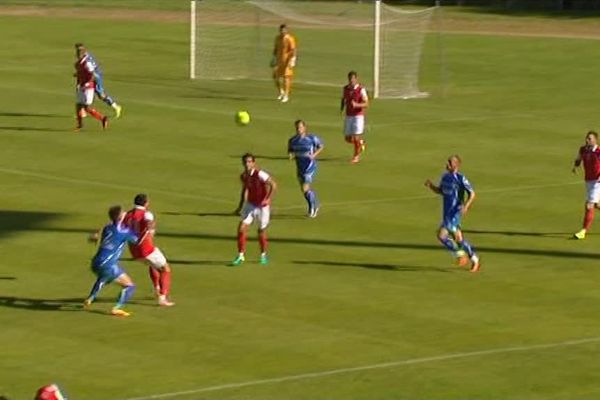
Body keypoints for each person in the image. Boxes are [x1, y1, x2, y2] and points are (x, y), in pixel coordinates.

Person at [425, 155, 481, 273]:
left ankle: (460, 255)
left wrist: (466, 206)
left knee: (441, 235)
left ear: (455, 165)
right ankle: (475, 260)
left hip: (455, 212)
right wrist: (431, 186)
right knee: (459, 240)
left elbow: (472, 194)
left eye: (449, 163)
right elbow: (441, 191)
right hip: (446, 212)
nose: (447, 164)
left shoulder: (460, 178)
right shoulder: (445, 177)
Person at [85, 205, 138, 317]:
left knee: (104, 277)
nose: (125, 213)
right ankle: (117, 308)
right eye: (123, 212)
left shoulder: (107, 228)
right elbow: (136, 240)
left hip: (95, 262)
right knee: (130, 286)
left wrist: (94, 236)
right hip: (108, 264)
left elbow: (104, 229)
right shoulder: (124, 232)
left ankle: (90, 298)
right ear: (120, 216)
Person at [123, 194, 175, 307]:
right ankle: (162, 297)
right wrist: (150, 228)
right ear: (146, 203)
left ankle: (157, 288)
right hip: (146, 248)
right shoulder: (146, 213)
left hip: (134, 251)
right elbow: (148, 223)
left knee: (153, 265)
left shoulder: (128, 214)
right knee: (166, 269)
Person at [231, 153, 277, 266]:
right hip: (250, 205)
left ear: (253, 163)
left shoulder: (260, 174)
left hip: (262, 207)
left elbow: (273, 184)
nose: (247, 164)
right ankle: (241, 256)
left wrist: (268, 199)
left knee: (261, 231)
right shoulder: (244, 176)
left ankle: (263, 255)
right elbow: (245, 190)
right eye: (245, 162)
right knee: (241, 228)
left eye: (249, 162)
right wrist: (240, 206)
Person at [288, 119, 324, 218]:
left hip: (310, 166)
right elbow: (290, 151)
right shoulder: (293, 140)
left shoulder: (311, 138)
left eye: (300, 127)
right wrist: (291, 155)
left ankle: (312, 208)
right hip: (300, 166)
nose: (298, 129)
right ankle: (315, 203)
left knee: (305, 188)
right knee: (304, 189)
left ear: (304, 127)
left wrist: (314, 155)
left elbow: (321, 146)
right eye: (297, 128)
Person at [74, 43, 122, 118]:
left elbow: (91, 71)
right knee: (86, 93)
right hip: (92, 75)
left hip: (95, 76)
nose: (77, 51)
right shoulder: (85, 55)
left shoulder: (85, 58)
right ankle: (83, 111)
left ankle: (116, 107)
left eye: (78, 49)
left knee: (100, 95)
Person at [572, 130, 600, 239]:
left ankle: (583, 231)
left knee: (589, 205)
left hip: (598, 182)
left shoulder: (598, 151)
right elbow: (579, 159)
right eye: (587, 138)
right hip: (588, 181)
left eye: (590, 138)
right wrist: (575, 166)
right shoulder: (583, 149)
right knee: (596, 204)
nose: (587, 140)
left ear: (595, 140)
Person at [74, 44, 109, 132]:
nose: (78, 54)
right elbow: (79, 74)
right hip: (82, 87)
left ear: (84, 53)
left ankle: (103, 118)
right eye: (77, 52)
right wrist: (78, 83)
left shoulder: (87, 63)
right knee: (78, 106)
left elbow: (93, 75)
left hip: (88, 88)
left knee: (86, 108)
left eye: (80, 52)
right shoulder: (78, 63)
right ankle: (80, 125)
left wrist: (95, 87)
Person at [341, 70, 369, 164]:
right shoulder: (346, 88)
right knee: (348, 138)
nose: (351, 80)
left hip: (358, 116)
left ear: (356, 79)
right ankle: (361, 143)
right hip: (349, 115)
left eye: (353, 79)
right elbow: (344, 98)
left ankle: (356, 156)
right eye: (350, 79)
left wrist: (357, 105)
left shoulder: (361, 89)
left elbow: (366, 103)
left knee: (356, 137)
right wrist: (342, 108)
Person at [271, 24, 297, 103]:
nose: (282, 31)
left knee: (286, 77)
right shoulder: (277, 38)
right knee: (275, 76)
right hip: (279, 60)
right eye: (281, 30)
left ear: (286, 30)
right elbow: (275, 49)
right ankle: (281, 92)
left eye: (284, 30)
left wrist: (293, 59)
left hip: (287, 61)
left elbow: (293, 50)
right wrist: (274, 58)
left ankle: (286, 95)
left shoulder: (289, 39)